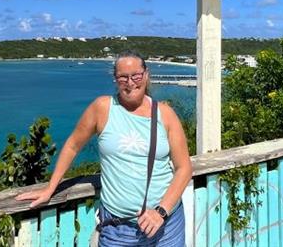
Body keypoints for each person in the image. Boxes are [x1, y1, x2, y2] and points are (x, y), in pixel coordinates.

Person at [16, 51, 192, 246]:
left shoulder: (165, 114)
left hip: (165, 225)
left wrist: (161, 211)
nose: (130, 82)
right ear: (115, 79)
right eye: (123, 77)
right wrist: (50, 188)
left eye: (136, 75)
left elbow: (183, 168)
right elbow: (73, 145)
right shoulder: (102, 108)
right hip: (118, 228)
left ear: (146, 75)